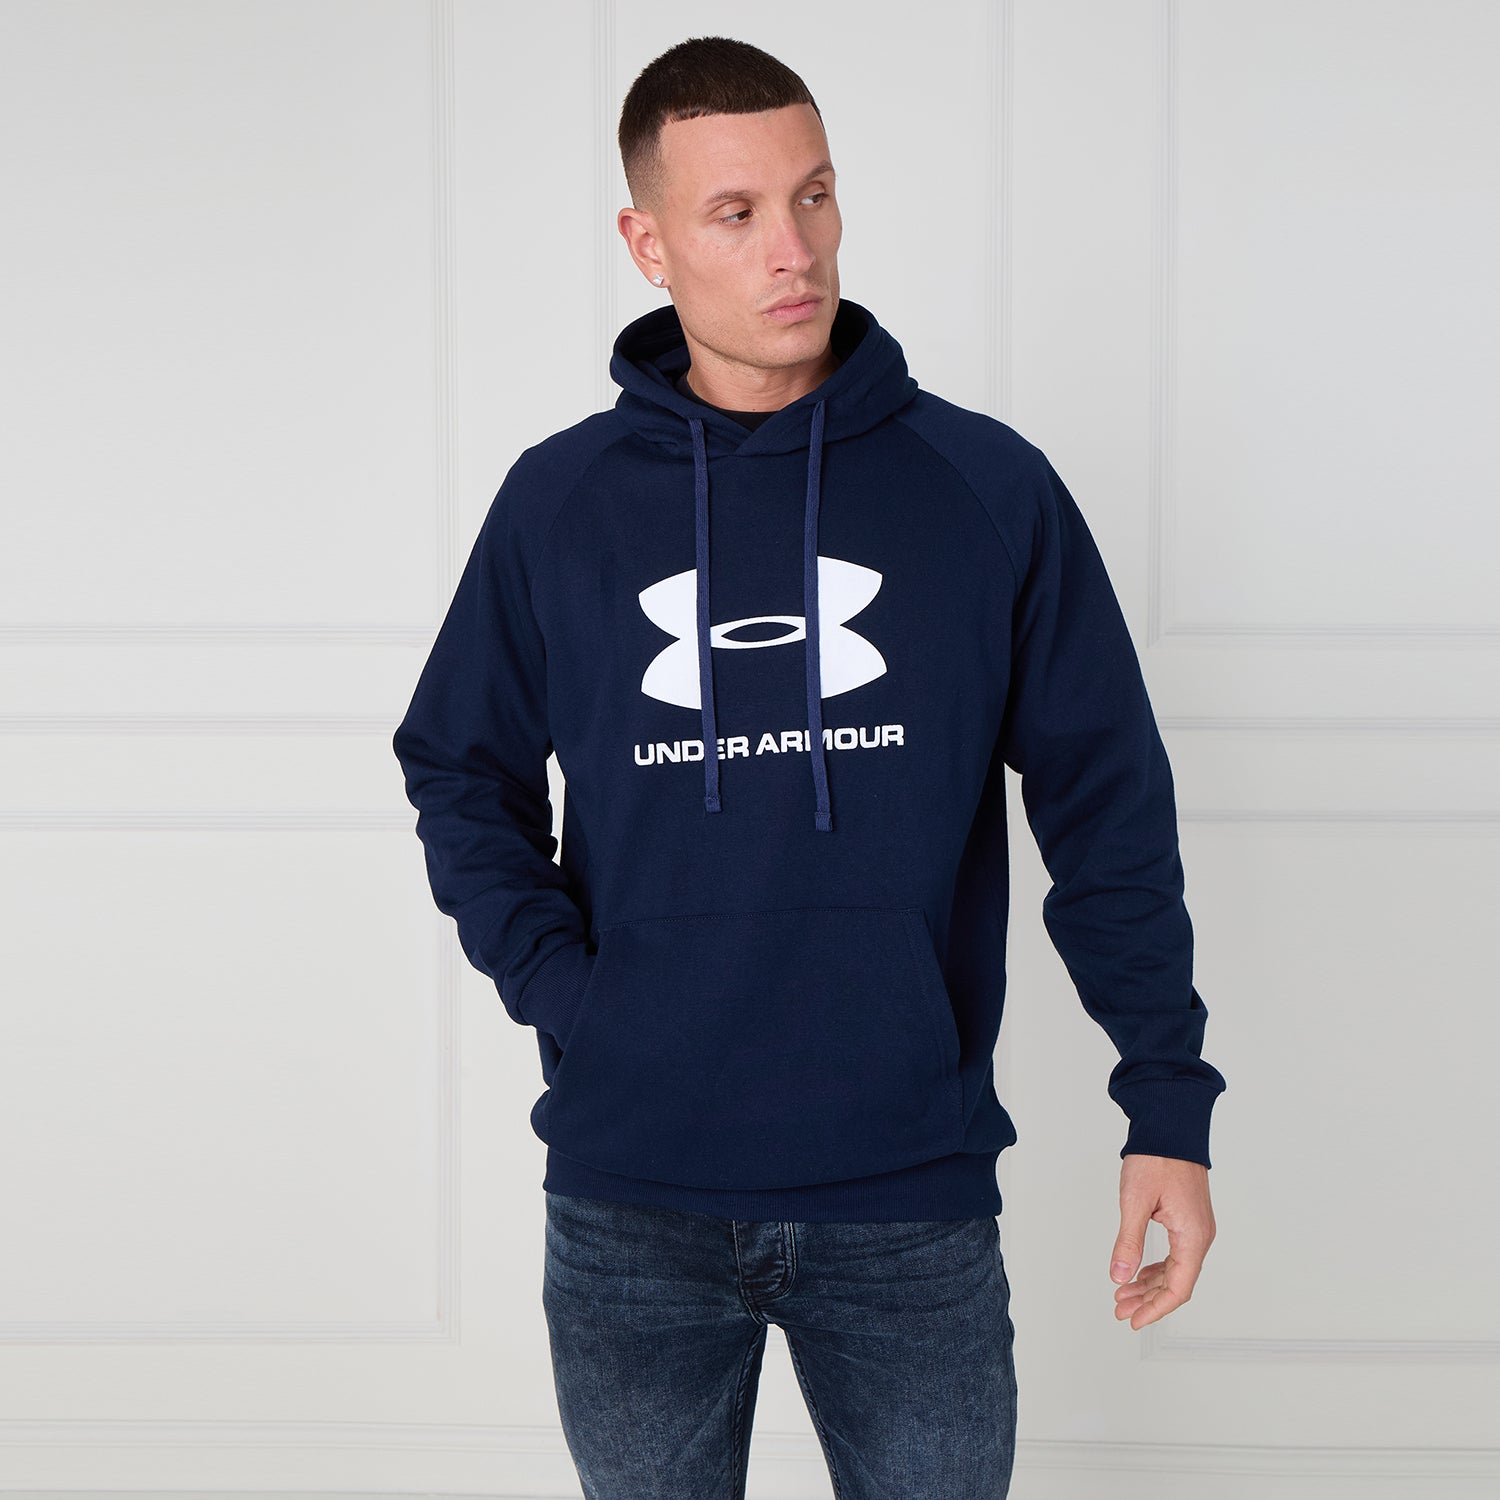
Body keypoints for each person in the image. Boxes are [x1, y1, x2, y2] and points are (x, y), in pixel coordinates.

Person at [392, 33, 1227, 1500]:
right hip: (632, 1198)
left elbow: (1106, 803)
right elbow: (460, 769)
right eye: (735, 213)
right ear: (648, 243)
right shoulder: (561, 505)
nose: (795, 249)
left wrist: (1165, 1099)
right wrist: (578, 999)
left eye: (815, 195)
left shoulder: (985, 490)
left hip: (906, 1197)